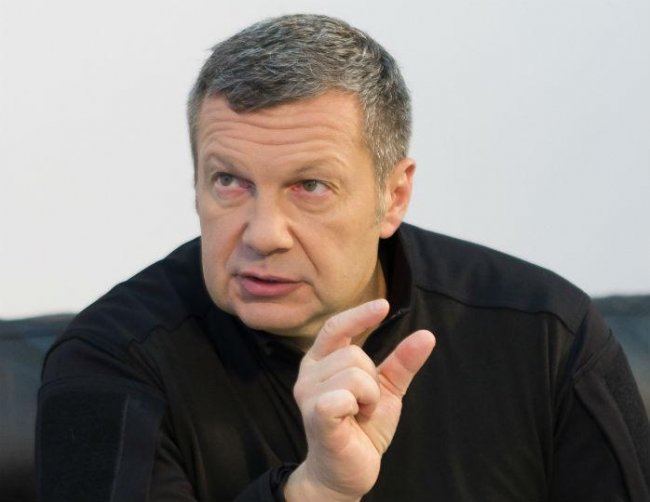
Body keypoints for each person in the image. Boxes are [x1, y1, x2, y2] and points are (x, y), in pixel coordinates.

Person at [36, 14, 649, 502]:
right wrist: (315, 492)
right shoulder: (108, 362)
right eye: (229, 182)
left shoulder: (546, 334)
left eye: (310, 186)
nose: (264, 235)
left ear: (393, 196)